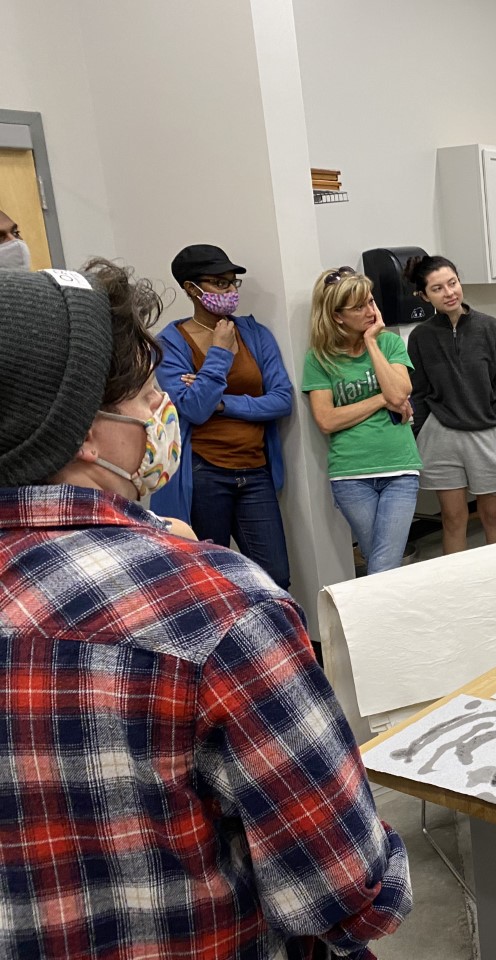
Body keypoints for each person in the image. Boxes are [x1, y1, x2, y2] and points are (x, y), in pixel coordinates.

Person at [0, 262, 412, 957]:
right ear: (86, 434)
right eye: (150, 394)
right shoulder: (221, 610)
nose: (163, 412)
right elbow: (344, 891)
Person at [152, 244, 294, 588]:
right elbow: (195, 410)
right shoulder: (170, 343)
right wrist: (218, 353)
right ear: (191, 289)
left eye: (232, 283)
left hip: (255, 471)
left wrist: (222, 403)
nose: (229, 292)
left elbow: (281, 399)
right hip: (204, 474)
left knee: (275, 578)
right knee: (212, 581)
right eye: (218, 283)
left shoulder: (254, 334)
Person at [303, 266, 422, 576]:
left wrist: (371, 342)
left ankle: (378, 623)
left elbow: (401, 393)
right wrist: (382, 399)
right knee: (382, 563)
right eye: (359, 307)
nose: (371, 311)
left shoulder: (389, 344)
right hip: (351, 475)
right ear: (337, 315)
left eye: (371, 301)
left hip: (400, 468)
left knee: (382, 565)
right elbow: (327, 420)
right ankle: (389, 622)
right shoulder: (319, 358)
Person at [404, 255, 496, 554]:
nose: (449, 293)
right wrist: (420, 433)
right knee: (453, 519)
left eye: (452, 283)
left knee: (493, 515)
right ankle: (458, 591)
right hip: (442, 436)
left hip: (488, 433)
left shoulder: (489, 328)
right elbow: (417, 392)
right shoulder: (420, 337)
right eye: (437, 288)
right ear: (424, 295)